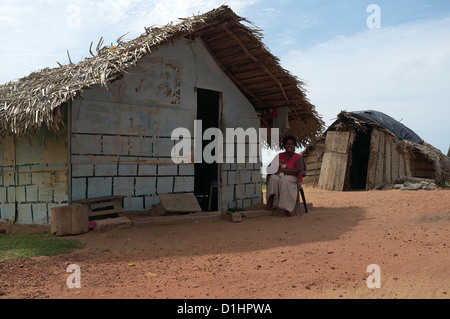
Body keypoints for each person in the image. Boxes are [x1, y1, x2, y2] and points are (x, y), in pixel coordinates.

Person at [265, 135, 306, 216]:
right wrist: (276, 166)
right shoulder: (280, 156)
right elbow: (268, 169)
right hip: (281, 176)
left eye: (291, 144)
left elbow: (299, 169)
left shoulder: (297, 157)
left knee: (285, 180)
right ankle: (271, 200)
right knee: (273, 178)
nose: (289, 146)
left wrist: (283, 170)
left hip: (293, 178)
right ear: (284, 145)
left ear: (294, 146)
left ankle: (286, 208)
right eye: (287, 144)